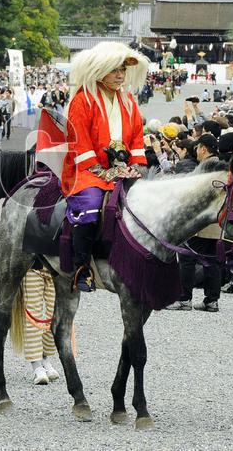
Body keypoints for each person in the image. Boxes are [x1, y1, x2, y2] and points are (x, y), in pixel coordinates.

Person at [62, 42, 148, 292]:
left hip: (124, 169)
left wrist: (136, 167)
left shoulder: (129, 101)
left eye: (122, 70)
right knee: (89, 206)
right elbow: (79, 143)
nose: (120, 75)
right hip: (88, 171)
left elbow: (137, 139)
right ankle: (82, 268)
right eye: (114, 70)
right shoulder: (83, 100)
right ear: (100, 70)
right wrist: (105, 172)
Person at [167, 134, 224, 312]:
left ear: (203, 148)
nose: (196, 151)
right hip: (217, 223)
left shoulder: (206, 168)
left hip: (200, 223)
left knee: (186, 258)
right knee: (213, 261)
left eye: (197, 148)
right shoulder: (223, 166)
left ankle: (184, 299)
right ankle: (211, 300)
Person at [19, 262, 60, 385]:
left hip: (57, 267)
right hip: (32, 265)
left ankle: (45, 357)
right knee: (33, 315)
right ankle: (37, 365)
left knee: (56, 315)